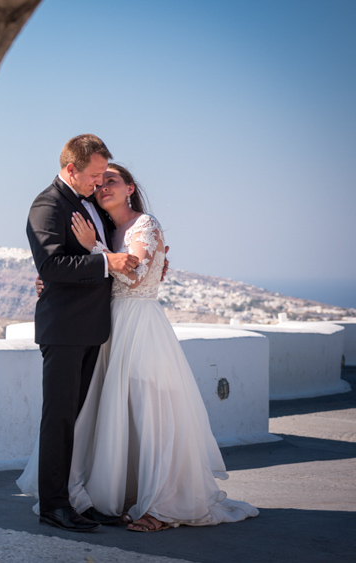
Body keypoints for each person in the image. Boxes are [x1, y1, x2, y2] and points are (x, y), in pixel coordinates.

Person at [19, 163, 259, 532]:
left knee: (151, 415)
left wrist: (94, 249)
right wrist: (55, 279)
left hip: (140, 329)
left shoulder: (144, 225)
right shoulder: (105, 226)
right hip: (106, 329)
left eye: (112, 180)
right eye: (99, 182)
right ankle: (108, 496)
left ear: (130, 188)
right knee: (107, 416)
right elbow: (78, 269)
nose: (103, 187)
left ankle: (161, 505)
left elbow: (133, 276)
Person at [23, 134, 140, 532]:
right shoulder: (48, 205)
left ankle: (75, 498)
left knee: (77, 420)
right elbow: (53, 266)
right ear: (71, 169)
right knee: (59, 419)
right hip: (64, 330)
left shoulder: (90, 206)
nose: (98, 182)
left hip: (92, 329)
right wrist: (107, 263)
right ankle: (53, 506)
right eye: (93, 175)